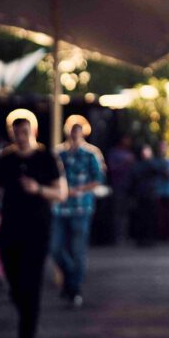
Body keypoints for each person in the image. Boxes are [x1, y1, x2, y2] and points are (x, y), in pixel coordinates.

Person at [0, 110, 67, 338]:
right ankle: (27, 315)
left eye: (25, 132)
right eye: (17, 132)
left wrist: (38, 189)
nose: (22, 136)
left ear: (33, 132)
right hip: (10, 231)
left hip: (37, 231)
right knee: (16, 286)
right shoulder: (5, 160)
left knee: (32, 286)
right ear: (11, 134)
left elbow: (61, 193)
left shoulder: (46, 158)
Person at [51, 118, 104, 308]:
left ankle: (74, 288)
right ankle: (70, 281)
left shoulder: (91, 154)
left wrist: (79, 189)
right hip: (60, 208)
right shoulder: (58, 153)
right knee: (56, 249)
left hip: (81, 208)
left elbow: (98, 179)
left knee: (77, 250)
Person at [130, 145, 160, 247]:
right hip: (142, 194)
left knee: (150, 217)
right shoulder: (137, 165)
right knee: (141, 218)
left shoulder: (152, 163)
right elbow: (134, 177)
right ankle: (142, 239)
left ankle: (150, 238)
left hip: (150, 194)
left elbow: (158, 170)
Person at [107, 134, 135, 242]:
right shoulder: (114, 153)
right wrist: (125, 162)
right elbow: (111, 168)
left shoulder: (129, 153)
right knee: (117, 212)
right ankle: (117, 236)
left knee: (126, 212)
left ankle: (125, 234)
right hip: (118, 186)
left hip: (129, 187)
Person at [153, 140, 169, 241]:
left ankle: (168, 234)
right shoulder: (155, 161)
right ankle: (161, 234)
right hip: (160, 191)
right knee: (160, 214)